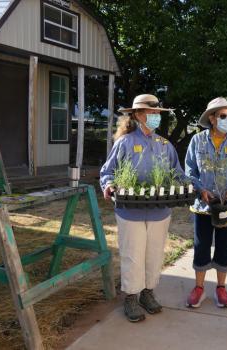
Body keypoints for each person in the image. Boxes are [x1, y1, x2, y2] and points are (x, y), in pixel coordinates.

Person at [100, 94, 183, 322]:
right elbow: (108, 172)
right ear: (137, 115)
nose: (155, 117)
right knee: (132, 255)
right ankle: (131, 297)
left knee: (154, 255)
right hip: (130, 210)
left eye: (157, 113)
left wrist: (189, 185)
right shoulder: (125, 143)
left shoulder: (165, 145)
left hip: (160, 210)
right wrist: (108, 185)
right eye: (151, 113)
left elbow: (178, 173)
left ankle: (148, 292)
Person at [185, 97, 227, 308]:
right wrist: (200, 190)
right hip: (203, 207)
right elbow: (189, 171)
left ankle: (221, 288)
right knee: (201, 246)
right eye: (223, 116)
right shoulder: (197, 141)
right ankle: (199, 288)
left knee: (224, 247)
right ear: (212, 119)